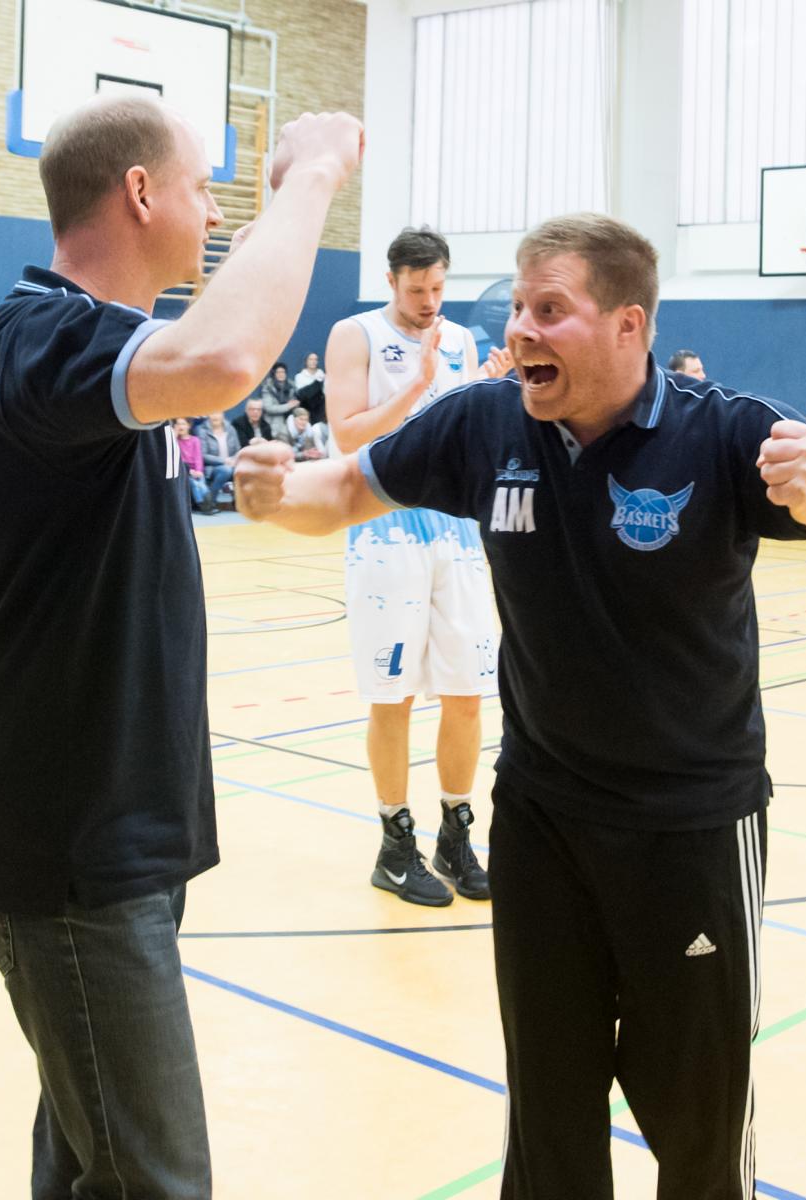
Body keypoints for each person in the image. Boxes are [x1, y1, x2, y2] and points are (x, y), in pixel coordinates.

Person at [236, 213, 806, 1199]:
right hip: (542, 821)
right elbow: (346, 489)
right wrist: (277, 493)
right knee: (548, 1116)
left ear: (627, 325)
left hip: (690, 828)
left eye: (549, 309)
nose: (521, 328)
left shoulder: (725, 430)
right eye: (518, 306)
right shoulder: (485, 423)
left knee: (699, 1124)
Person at [0, 94, 362, 1200]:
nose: (214, 215)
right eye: (199, 188)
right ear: (138, 193)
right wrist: (313, 177)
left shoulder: (101, 351)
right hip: (68, 842)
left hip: (108, 831)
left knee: (92, 1167)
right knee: (155, 1183)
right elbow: (225, 353)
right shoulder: (44, 337)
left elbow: (210, 341)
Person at [324, 225, 513, 907]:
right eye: (416, 289)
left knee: (467, 693)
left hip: (456, 532)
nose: (429, 301)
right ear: (391, 282)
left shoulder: (461, 340)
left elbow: (461, 430)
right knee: (392, 695)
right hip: (385, 528)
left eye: (437, 287)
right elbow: (347, 432)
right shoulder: (355, 335)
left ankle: (456, 835)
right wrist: (420, 385)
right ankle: (394, 845)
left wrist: (485, 390)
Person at [175, 416, 226, 513]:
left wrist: (199, 471)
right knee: (194, 484)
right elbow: (178, 459)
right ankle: (204, 505)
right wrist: (175, 435)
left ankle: (206, 503)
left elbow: (198, 457)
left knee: (201, 483)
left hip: (196, 471)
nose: (181, 426)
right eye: (178, 424)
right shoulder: (175, 441)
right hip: (184, 471)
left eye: (183, 424)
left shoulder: (195, 440)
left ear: (189, 426)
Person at [200, 411, 241, 510]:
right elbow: (203, 455)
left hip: (232, 464)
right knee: (226, 470)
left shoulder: (231, 429)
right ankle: (210, 501)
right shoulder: (202, 431)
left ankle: (239, 502)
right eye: (212, 413)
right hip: (212, 467)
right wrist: (224, 461)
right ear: (208, 415)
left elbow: (238, 450)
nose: (215, 416)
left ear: (223, 415)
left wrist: (234, 460)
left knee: (242, 471)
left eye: (217, 413)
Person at [294, 350, 327, 422]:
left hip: (320, 411)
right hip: (306, 410)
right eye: (311, 359)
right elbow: (302, 395)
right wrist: (317, 382)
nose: (313, 361)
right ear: (306, 361)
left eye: (315, 359)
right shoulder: (299, 376)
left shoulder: (323, 375)